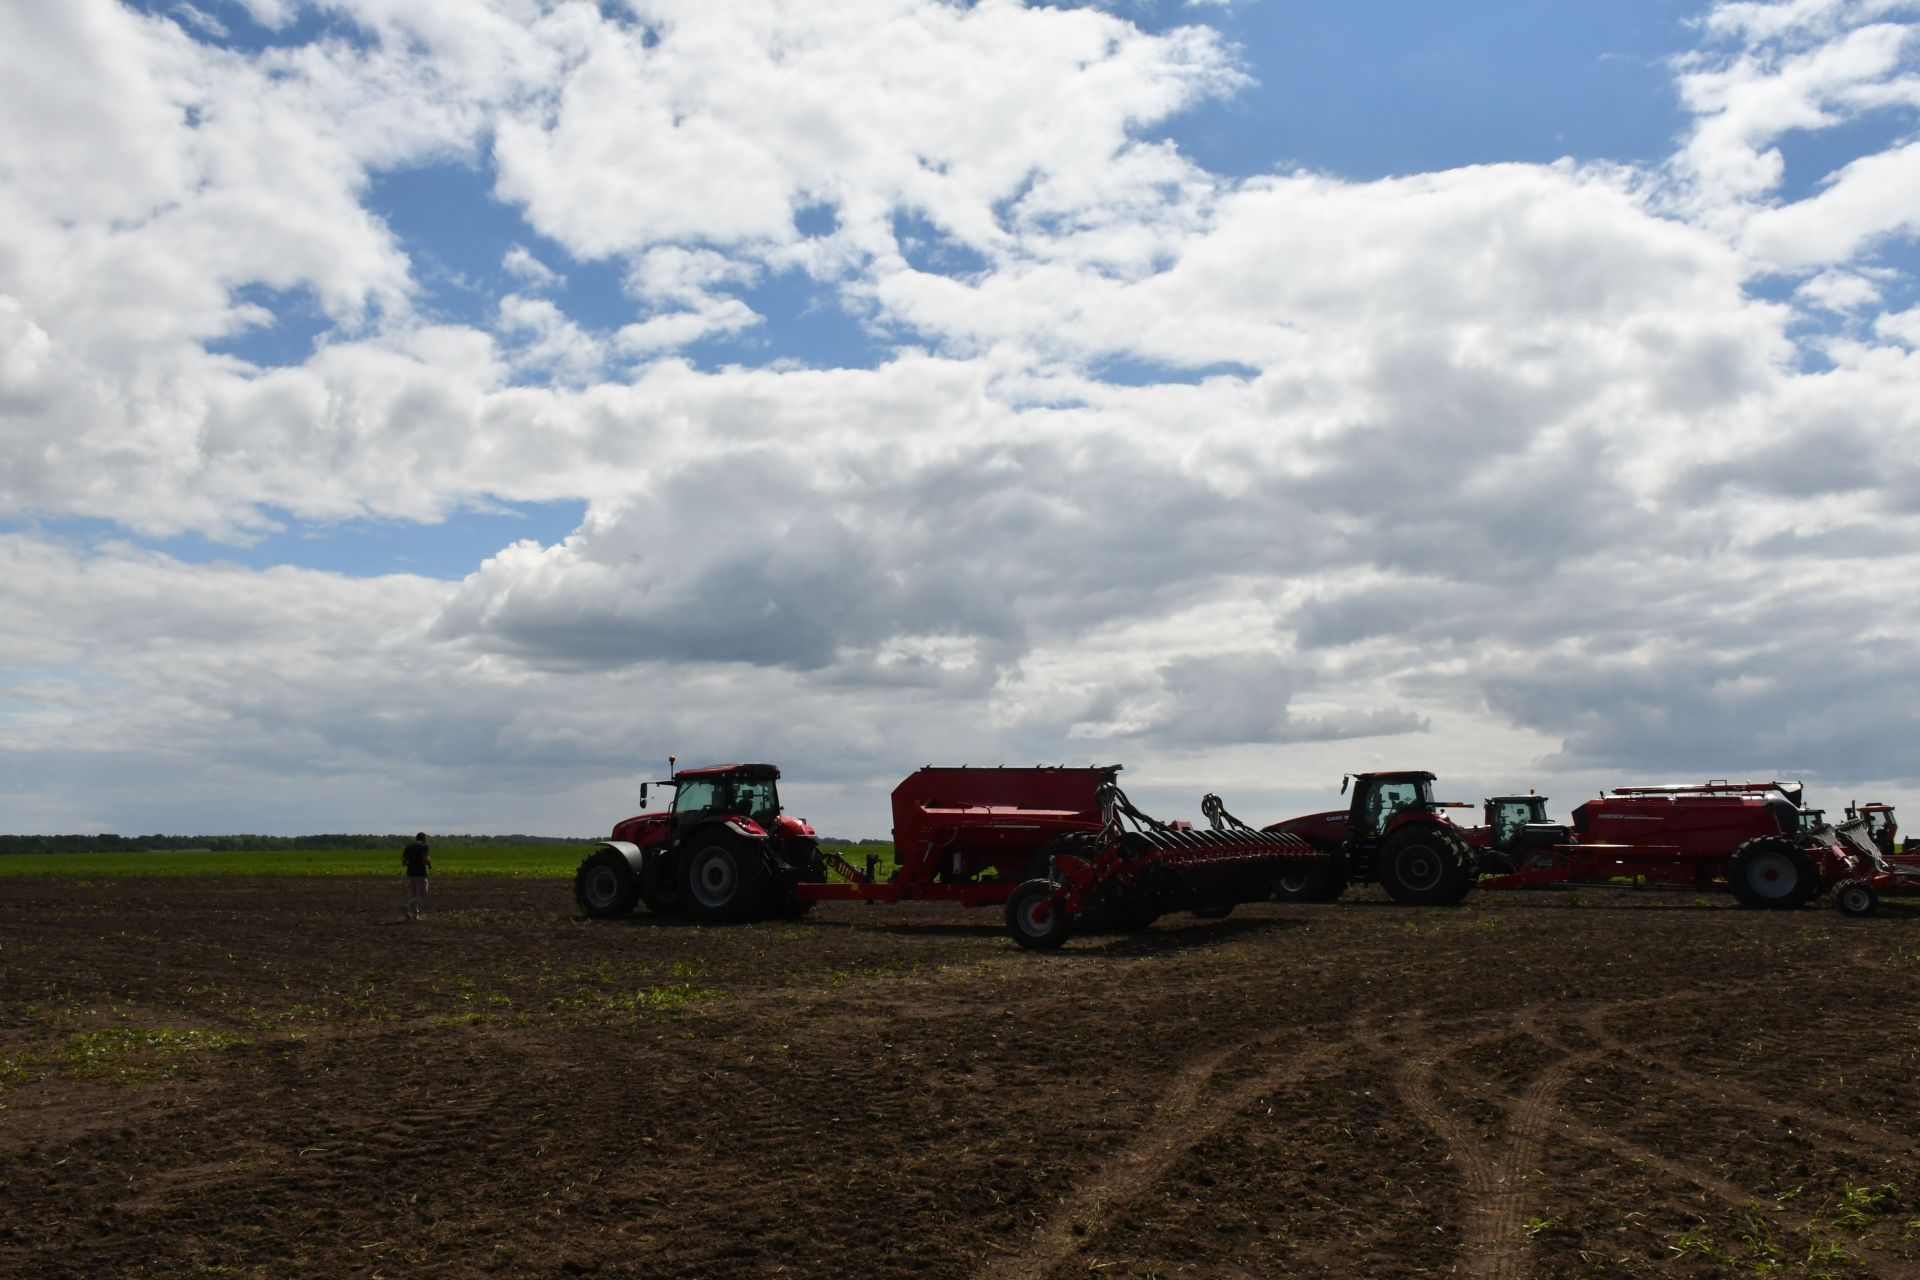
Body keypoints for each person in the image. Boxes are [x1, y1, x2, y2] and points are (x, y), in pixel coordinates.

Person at [401, 832, 431, 920]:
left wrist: (411, 865)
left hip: (410, 873)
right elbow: (425, 859)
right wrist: (429, 865)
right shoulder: (424, 846)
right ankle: (408, 906)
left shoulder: (408, 847)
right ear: (423, 838)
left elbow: (403, 862)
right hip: (421, 873)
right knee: (422, 895)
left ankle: (415, 915)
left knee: (414, 895)